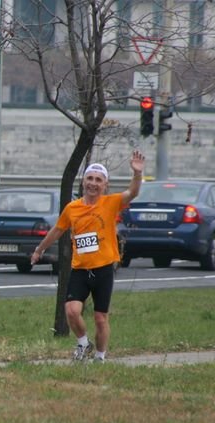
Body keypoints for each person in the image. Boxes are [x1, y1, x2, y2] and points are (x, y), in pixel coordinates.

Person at [31, 150, 145, 363]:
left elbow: (132, 193)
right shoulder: (72, 208)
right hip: (80, 269)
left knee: (101, 319)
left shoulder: (111, 203)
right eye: (90, 179)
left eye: (98, 180)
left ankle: (100, 357)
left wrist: (137, 174)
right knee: (71, 310)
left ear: (105, 185)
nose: (93, 183)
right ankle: (83, 342)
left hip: (103, 269)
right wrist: (39, 249)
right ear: (83, 182)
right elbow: (57, 230)